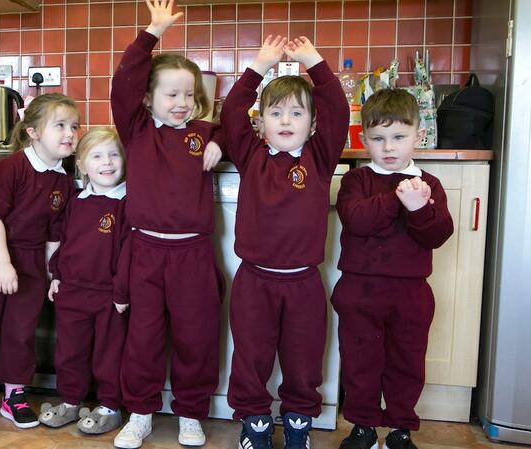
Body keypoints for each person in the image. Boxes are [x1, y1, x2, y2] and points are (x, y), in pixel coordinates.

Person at [219, 35, 349, 449]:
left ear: (313, 124)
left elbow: (339, 110)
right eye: (276, 113)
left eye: (297, 113)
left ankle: (297, 424)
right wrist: (258, 66)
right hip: (254, 281)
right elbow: (230, 112)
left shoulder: (320, 158)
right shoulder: (250, 155)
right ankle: (255, 421)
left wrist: (314, 61)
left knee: (304, 360)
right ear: (262, 123)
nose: (286, 120)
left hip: (304, 284)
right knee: (251, 358)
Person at [110, 1, 225, 447]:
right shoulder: (137, 128)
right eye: (171, 94)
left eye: (189, 95)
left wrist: (218, 137)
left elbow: (231, 124)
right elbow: (122, 84)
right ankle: (139, 412)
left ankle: (190, 414)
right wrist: (151, 34)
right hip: (144, 252)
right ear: (148, 98)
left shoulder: (201, 130)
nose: (181, 104)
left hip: (193, 253)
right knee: (143, 337)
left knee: (196, 336)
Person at [332, 88, 453, 449]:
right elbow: (355, 220)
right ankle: (363, 427)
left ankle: (400, 428)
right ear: (364, 139)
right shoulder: (356, 180)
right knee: (359, 362)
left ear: (419, 136)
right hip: (359, 291)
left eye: (399, 137)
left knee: (407, 361)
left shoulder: (429, 185)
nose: (389, 147)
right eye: (378, 138)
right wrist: (397, 199)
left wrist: (420, 209)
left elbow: (438, 234)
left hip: (411, 293)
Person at [0, 93, 79, 430]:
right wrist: (3, 265)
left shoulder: (63, 182)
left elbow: (55, 235)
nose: (70, 133)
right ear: (34, 132)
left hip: (32, 261)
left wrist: (55, 272)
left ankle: (14, 394)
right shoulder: (9, 168)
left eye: (74, 127)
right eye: (61, 126)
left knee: (21, 332)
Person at [40, 127, 130, 435]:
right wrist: (57, 274)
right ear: (82, 165)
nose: (107, 162)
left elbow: (130, 254)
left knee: (110, 353)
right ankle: (70, 400)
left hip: (109, 296)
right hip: (72, 292)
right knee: (69, 352)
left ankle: (109, 406)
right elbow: (64, 241)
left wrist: (122, 290)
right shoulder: (76, 201)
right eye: (97, 156)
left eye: (114, 154)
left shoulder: (127, 202)